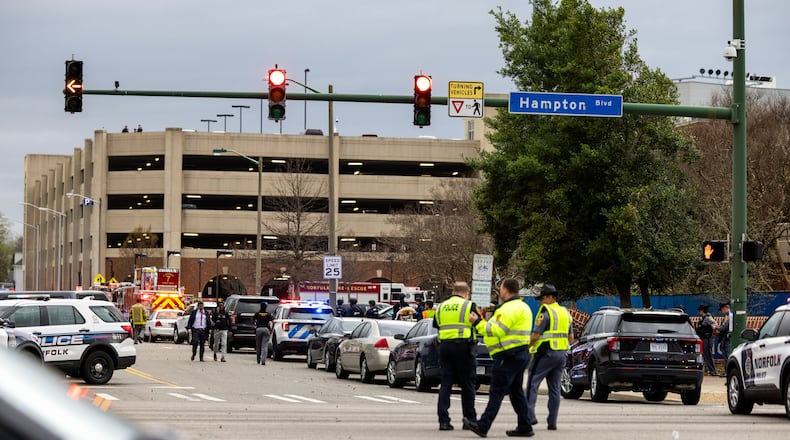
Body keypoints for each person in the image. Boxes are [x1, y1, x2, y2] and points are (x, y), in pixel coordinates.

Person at [463, 278, 534, 438]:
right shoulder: (524, 307)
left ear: (505, 290)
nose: (500, 291)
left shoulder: (508, 309)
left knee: (496, 391)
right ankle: (525, 425)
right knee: (516, 392)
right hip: (520, 353)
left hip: (507, 355)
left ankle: (483, 425)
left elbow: (496, 330)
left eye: (501, 288)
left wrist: (477, 322)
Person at [525, 284, 573, 432]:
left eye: (542, 298)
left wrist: (526, 347)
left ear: (551, 297)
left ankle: (529, 415)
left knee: (532, 383)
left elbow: (535, 335)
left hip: (546, 353)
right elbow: (571, 337)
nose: (540, 301)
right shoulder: (565, 313)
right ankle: (552, 422)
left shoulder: (545, 312)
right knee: (555, 389)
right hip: (561, 354)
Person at [433, 281, 478, 431]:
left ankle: (443, 421)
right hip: (463, 347)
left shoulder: (441, 307)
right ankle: (469, 419)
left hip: (445, 347)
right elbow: (478, 323)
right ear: (466, 293)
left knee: (446, 384)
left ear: (453, 292)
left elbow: (437, 326)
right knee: (468, 384)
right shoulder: (469, 305)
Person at [696, 304, 717, 375]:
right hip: (703, 338)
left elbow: (715, 324)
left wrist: (712, 334)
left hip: (707, 339)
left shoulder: (708, 318)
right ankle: (710, 370)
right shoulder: (703, 318)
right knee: (705, 355)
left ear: (702, 311)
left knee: (708, 355)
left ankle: (712, 371)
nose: (699, 312)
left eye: (700, 310)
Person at [717, 301, 733, 371]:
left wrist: (716, 327)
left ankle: (727, 371)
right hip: (726, 337)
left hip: (727, 338)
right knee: (726, 354)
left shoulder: (728, 316)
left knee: (727, 355)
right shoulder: (729, 315)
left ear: (725, 308)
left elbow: (724, 327)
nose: (721, 311)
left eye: (722, 309)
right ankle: (727, 370)